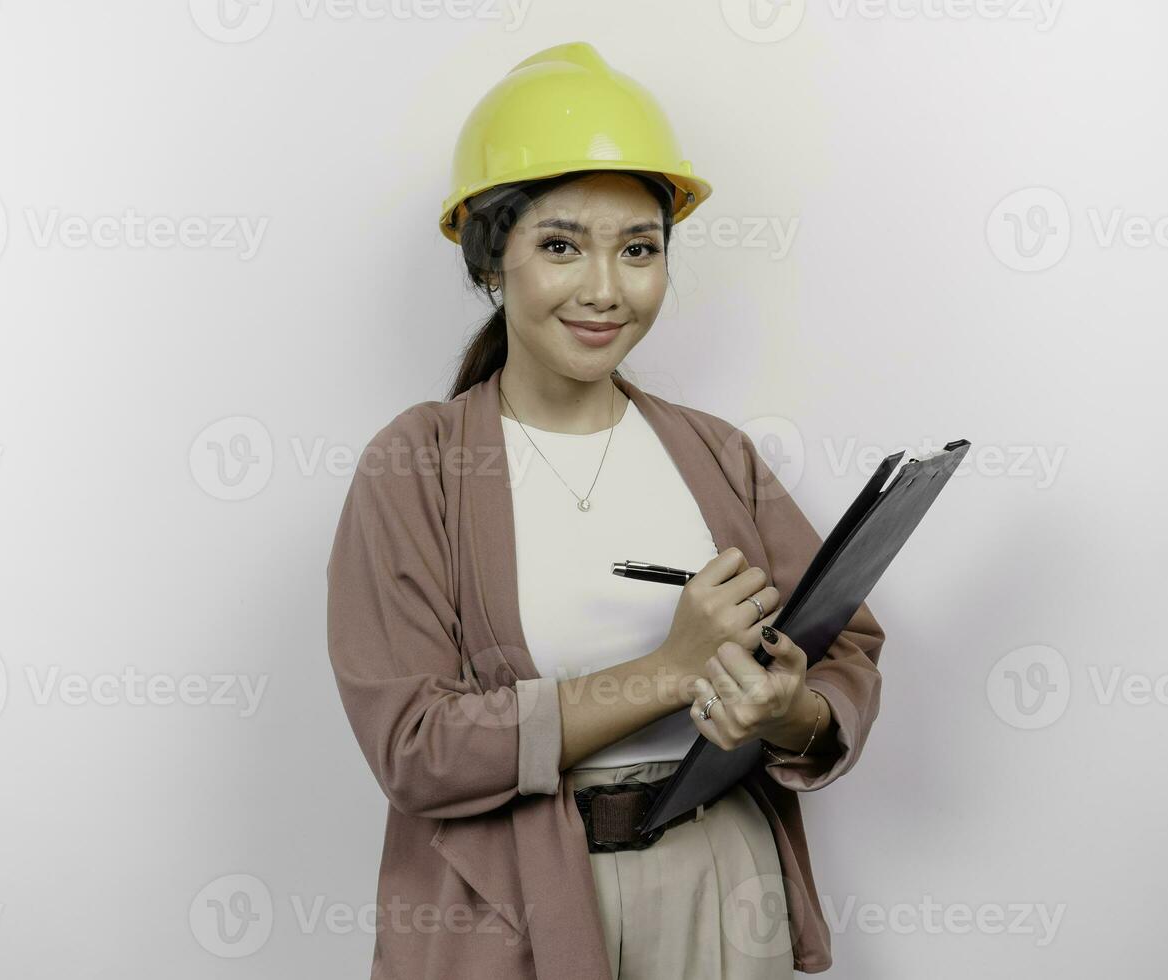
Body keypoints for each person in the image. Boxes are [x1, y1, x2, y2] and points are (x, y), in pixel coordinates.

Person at [326, 41, 885, 980]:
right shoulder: (417, 465)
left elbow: (842, 654)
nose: (605, 289)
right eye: (560, 245)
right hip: (516, 907)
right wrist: (667, 672)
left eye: (639, 250)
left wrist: (790, 709)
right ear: (491, 259)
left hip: (723, 886)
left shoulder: (716, 455)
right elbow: (417, 751)